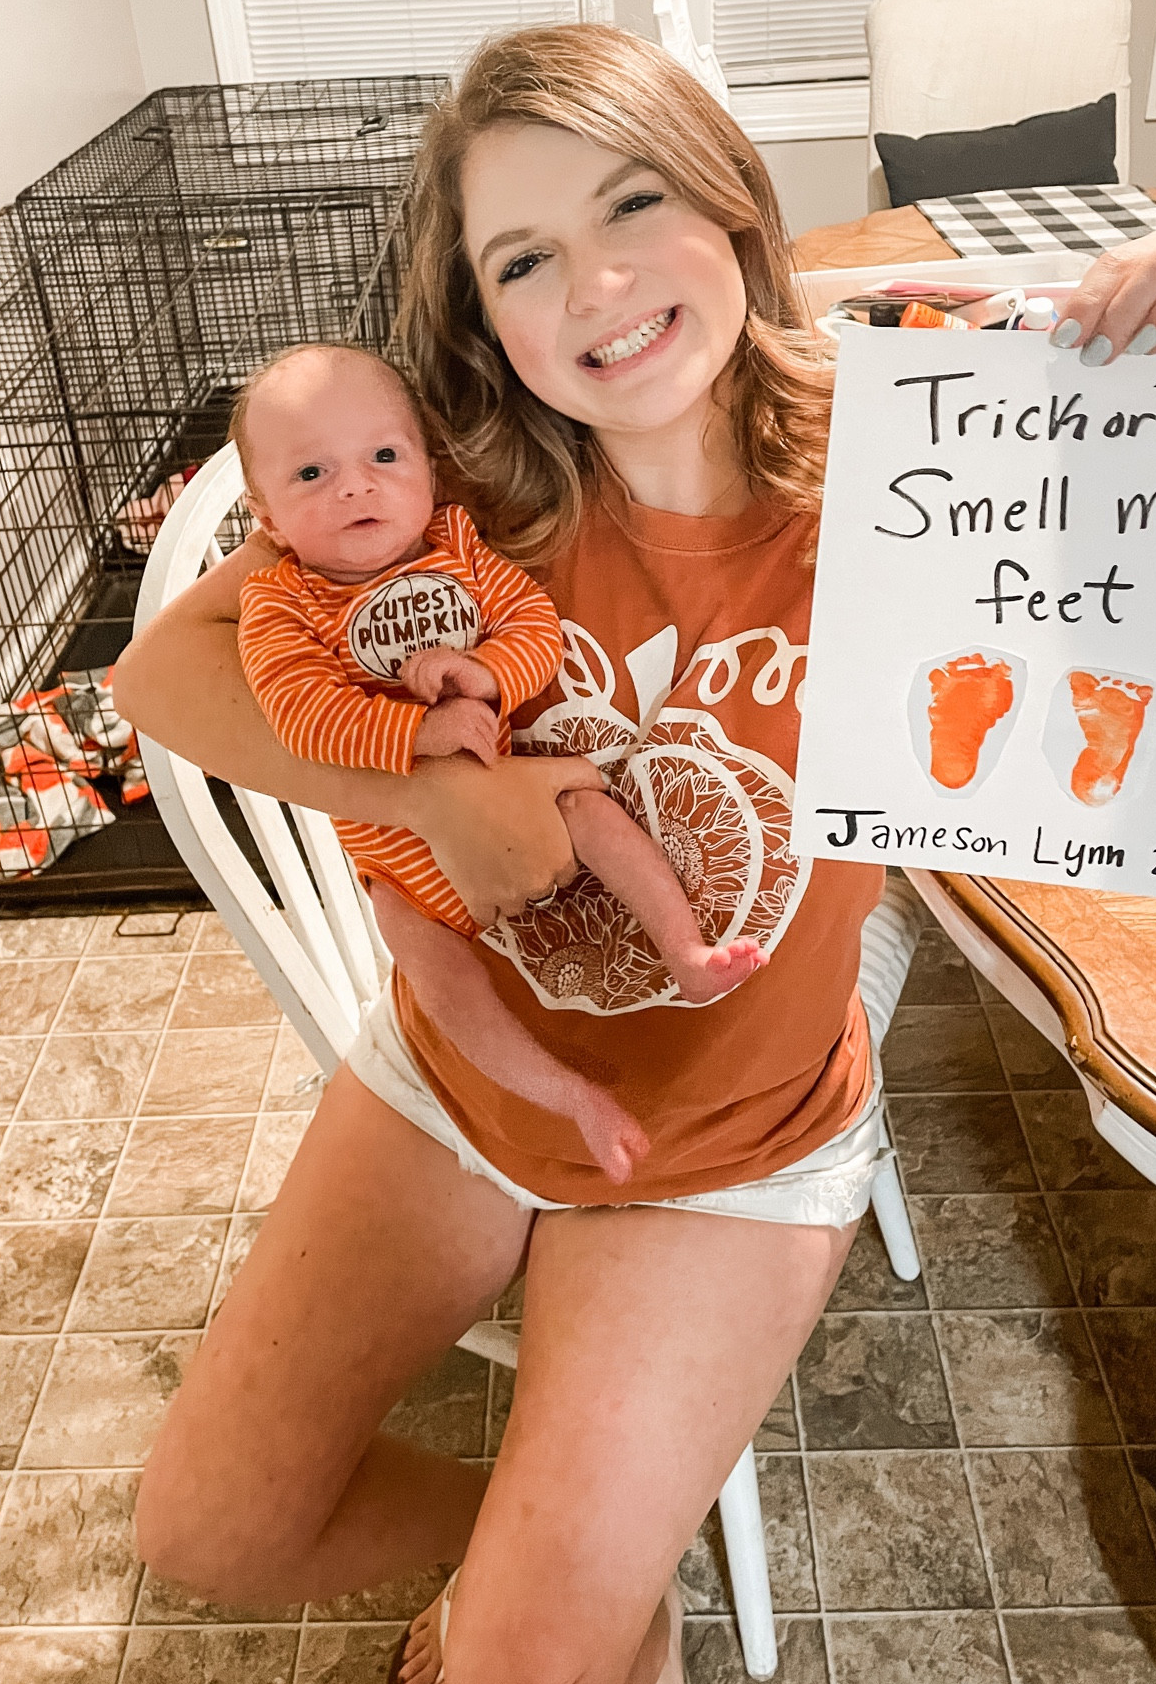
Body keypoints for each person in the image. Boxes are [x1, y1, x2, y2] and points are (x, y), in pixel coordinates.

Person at [116, 21, 1156, 1684]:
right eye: (525, 256)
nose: (593, 287)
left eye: (632, 203)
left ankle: (571, 1605)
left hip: (728, 1144)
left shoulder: (924, 467)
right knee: (212, 1527)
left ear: (738, 207)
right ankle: (566, 1573)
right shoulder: (459, 495)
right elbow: (161, 677)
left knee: (522, 1675)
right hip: (463, 1078)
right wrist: (431, 793)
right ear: (482, 318)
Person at [232, 340, 768, 1184]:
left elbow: (534, 627)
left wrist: (486, 673)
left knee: (599, 816)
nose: (355, 485)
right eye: (310, 475)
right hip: (397, 859)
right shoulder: (281, 601)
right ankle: (570, 1098)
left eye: (383, 456)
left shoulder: (459, 546)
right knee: (440, 983)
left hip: (526, 797)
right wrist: (419, 736)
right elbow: (300, 717)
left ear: (430, 471)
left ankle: (684, 952)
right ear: (266, 519)